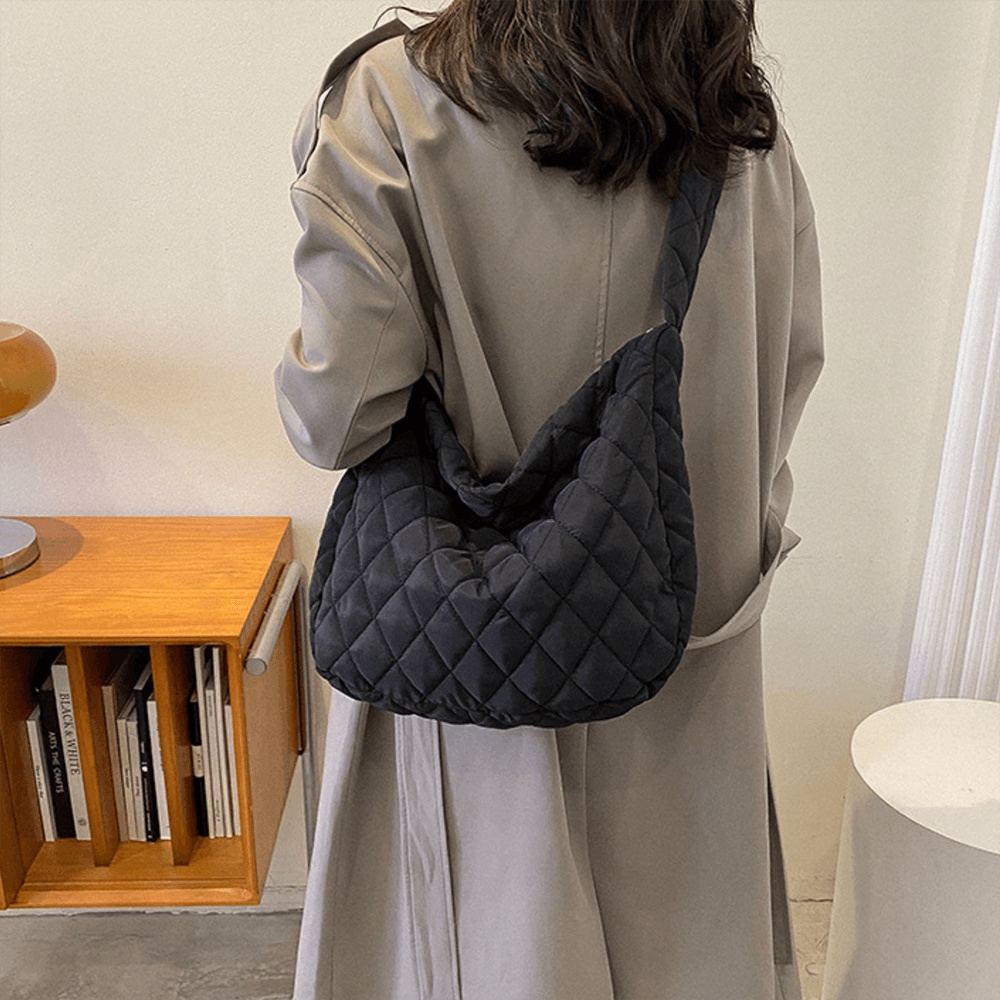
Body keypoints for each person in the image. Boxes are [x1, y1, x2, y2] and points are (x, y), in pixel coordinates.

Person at [275, 2, 823, 998]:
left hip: (465, 660)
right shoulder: (741, 129)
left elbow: (337, 418)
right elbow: (782, 382)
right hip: (681, 659)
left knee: (485, 946)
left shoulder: (391, 105)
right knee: (687, 947)